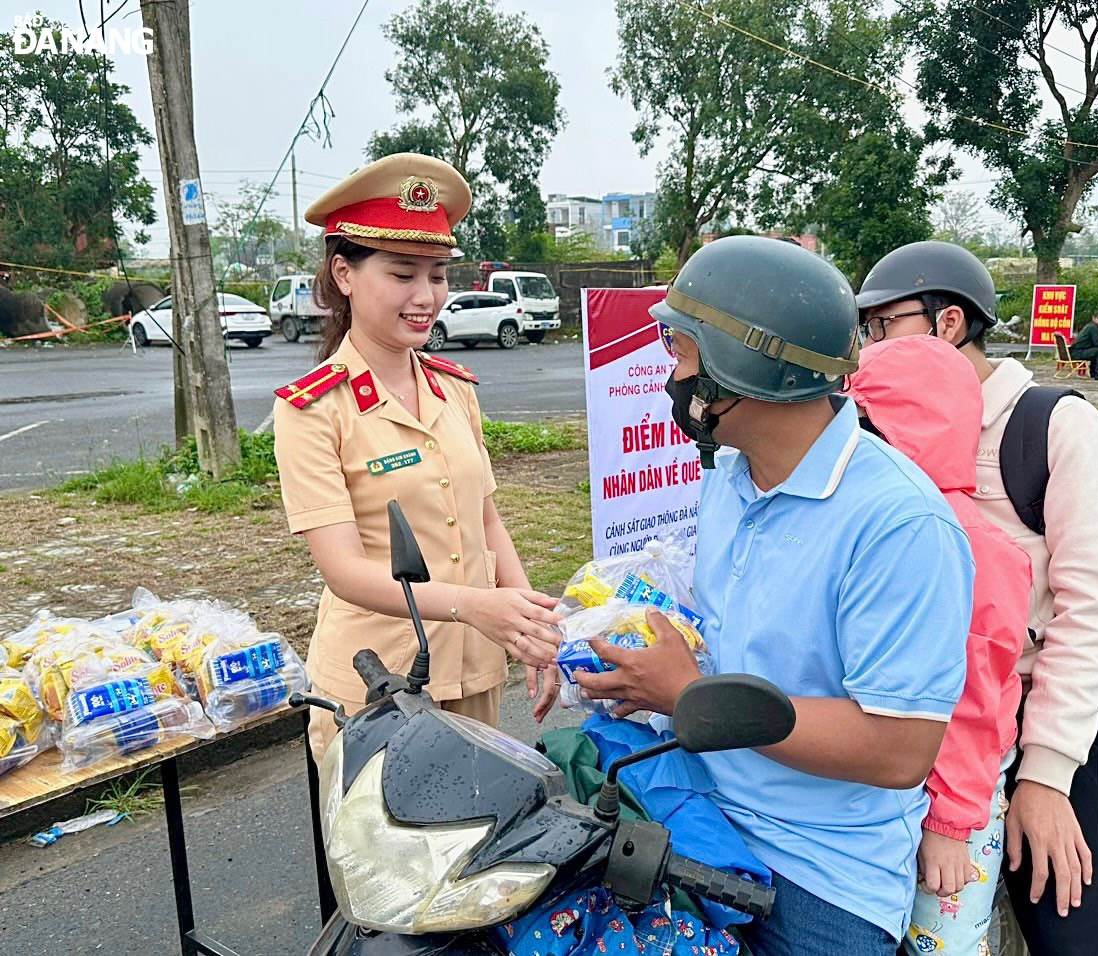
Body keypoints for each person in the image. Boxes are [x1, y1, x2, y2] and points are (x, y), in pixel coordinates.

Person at [571, 236, 976, 956]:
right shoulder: (731, 473)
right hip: (702, 810)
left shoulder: (898, 525)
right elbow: (719, 632)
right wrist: (597, 638)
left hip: (820, 874)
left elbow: (898, 748)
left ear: (742, 365)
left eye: (683, 347)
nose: (673, 371)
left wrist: (691, 694)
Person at [857, 240, 1098, 956]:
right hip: (915, 729)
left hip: (1034, 729)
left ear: (948, 323)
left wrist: (1044, 777)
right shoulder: (877, 419)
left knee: (1066, 934)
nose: (870, 345)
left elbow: (1093, 609)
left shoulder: (1054, 427)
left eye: (884, 325)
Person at [272, 153, 562, 763]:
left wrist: (531, 626)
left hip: (474, 663)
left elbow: (486, 520)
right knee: (386, 857)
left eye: (437, 275)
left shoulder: (453, 388)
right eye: (403, 275)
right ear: (344, 274)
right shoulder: (313, 410)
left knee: (483, 846)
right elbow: (344, 571)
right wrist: (476, 606)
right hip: (379, 684)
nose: (426, 296)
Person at [847, 335, 1031, 956]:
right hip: (887, 787)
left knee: (940, 941)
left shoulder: (973, 548)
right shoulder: (872, 521)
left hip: (954, 798)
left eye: (863, 421)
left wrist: (950, 824)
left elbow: (975, 707)